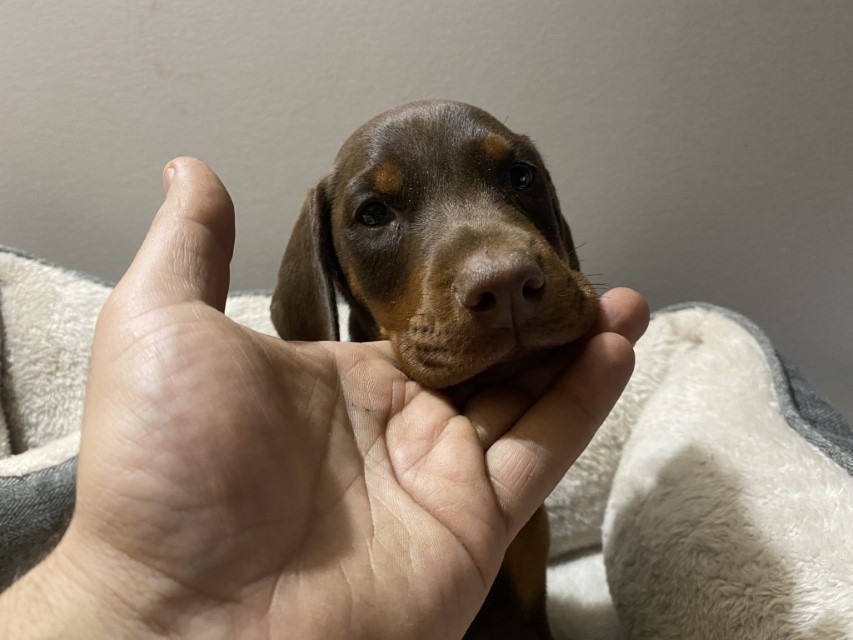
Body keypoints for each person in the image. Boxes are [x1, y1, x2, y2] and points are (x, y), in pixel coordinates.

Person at [0, 158, 648, 639]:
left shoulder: (517, 481)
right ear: (325, 286)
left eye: (517, 182)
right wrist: (138, 601)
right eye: (375, 214)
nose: (496, 266)